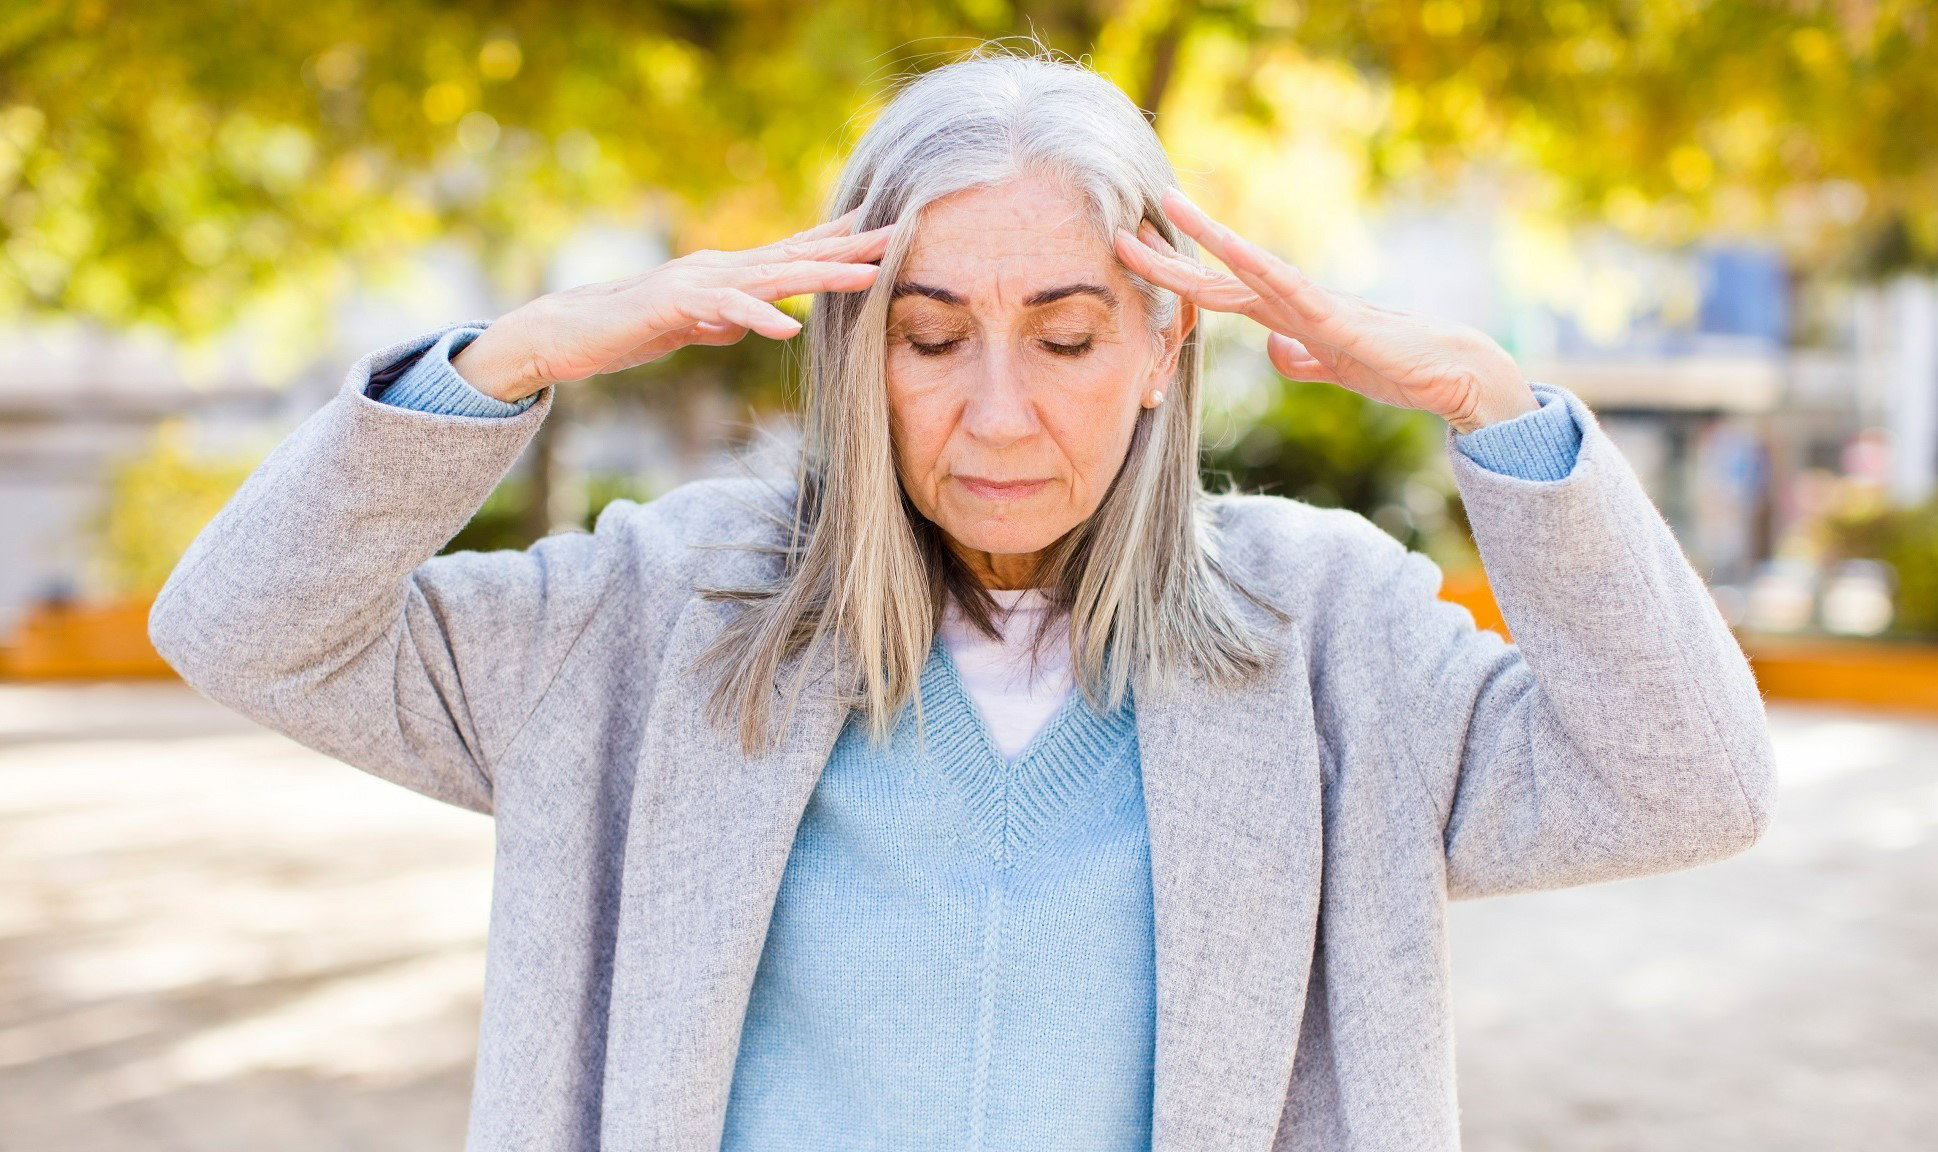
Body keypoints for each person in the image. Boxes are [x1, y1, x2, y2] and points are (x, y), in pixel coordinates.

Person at [149, 46, 1775, 1152]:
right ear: (856, 348)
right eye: (929, 338)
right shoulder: (653, 611)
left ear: (1158, 351)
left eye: (1066, 335)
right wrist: (515, 360)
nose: (998, 410)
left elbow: (1684, 783)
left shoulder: (1327, 633)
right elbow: (246, 626)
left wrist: (1500, 413)